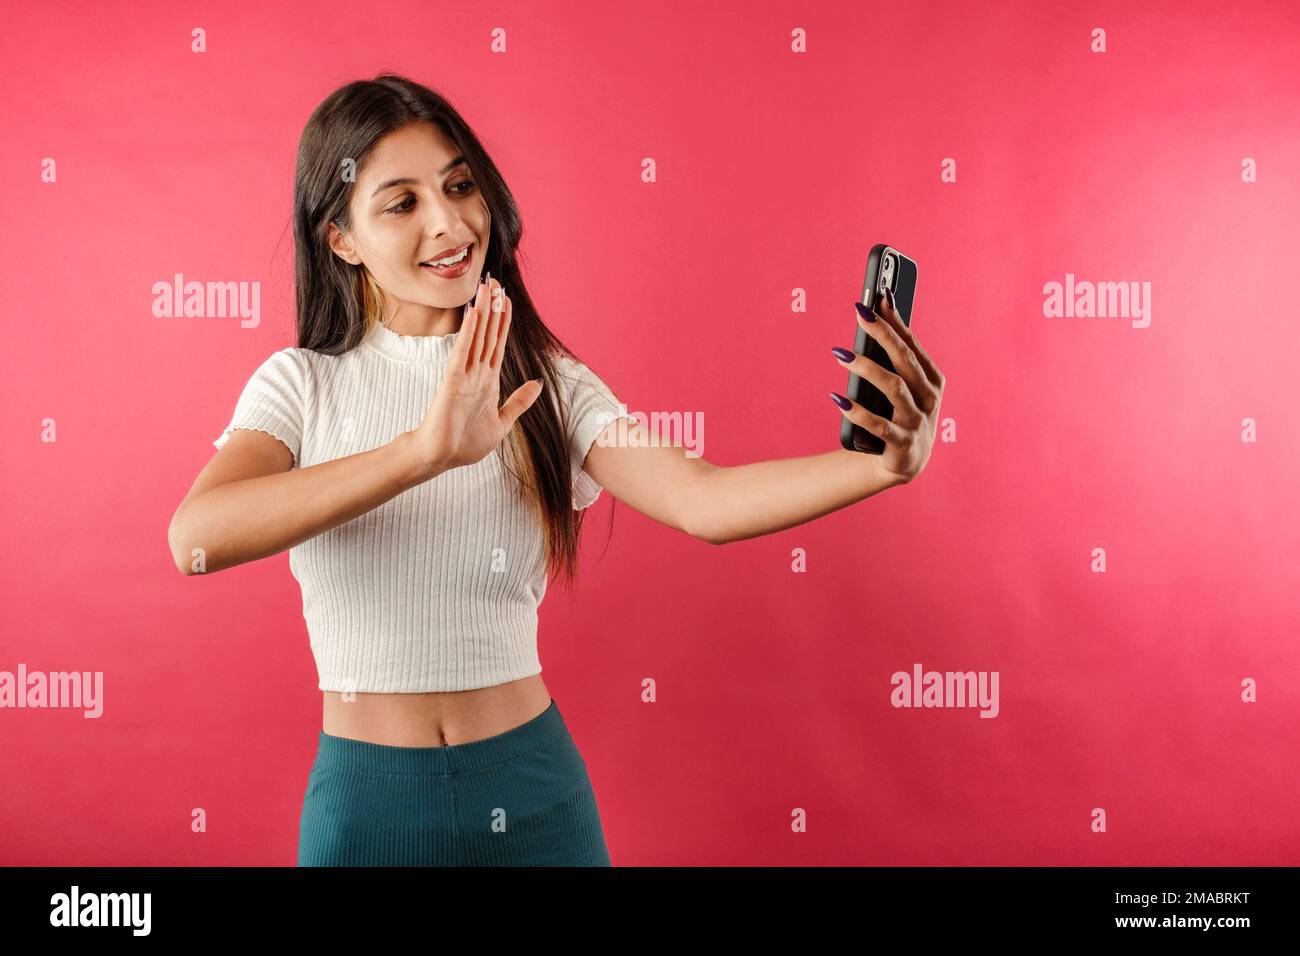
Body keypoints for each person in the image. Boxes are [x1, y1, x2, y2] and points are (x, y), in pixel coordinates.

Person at [166, 74, 945, 867]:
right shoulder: (301, 384)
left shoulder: (546, 379)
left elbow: (704, 501)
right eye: (401, 204)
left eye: (459, 185)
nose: (447, 223)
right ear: (341, 239)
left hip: (532, 788)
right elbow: (196, 537)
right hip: (368, 805)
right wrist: (422, 452)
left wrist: (882, 468)